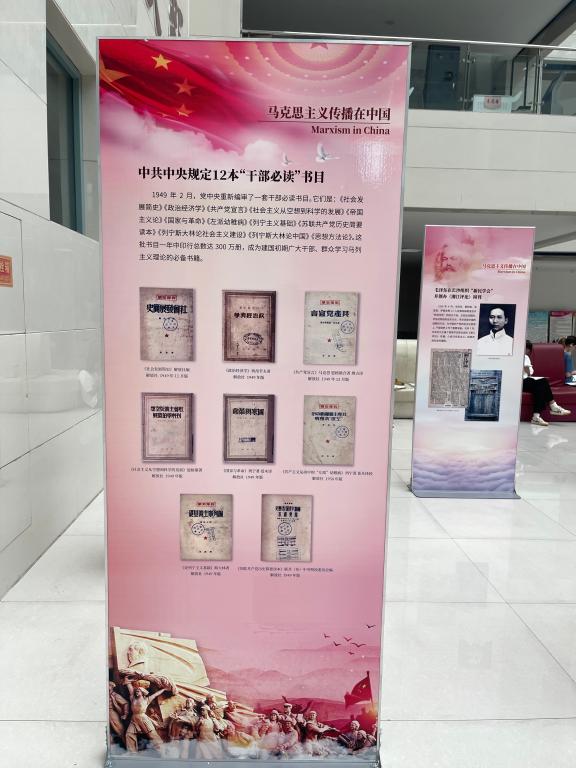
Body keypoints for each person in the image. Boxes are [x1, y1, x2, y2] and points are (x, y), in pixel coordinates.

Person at [523, 341, 571, 426]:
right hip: (517, 382)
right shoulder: (514, 356)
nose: (526, 351)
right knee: (542, 382)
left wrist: (526, 368)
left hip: (526, 380)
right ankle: (553, 406)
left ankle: (536, 416)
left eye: (527, 350)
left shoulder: (526, 357)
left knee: (541, 385)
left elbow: (530, 373)